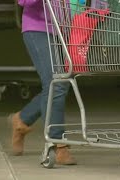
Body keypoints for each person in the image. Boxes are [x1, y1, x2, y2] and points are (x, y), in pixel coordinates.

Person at [12, 0, 77, 165]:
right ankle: (57, 142)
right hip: (37, 28)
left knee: (60, 84)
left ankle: (23, 119)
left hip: (65, 29)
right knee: (55, 82)